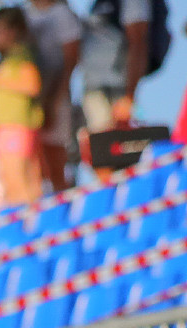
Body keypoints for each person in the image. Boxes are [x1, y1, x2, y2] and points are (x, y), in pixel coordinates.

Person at [0, 8, 51, 208]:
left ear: (13, 30)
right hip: (6, 128)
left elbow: (32, 85)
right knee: (10, 184)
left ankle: (29, 233)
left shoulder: (21, 54)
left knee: (19, 183)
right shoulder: (8, 58)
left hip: (17, 128)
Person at [26, 0, 89, 188]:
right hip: (27, 98)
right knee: (33, 160)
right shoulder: (24, 13)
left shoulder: (62, 13)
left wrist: (55, 99)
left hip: (56, 96)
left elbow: (71, 59)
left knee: (54, 159)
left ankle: (61, 209)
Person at [79, 0, 160, 138]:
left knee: (116, 150)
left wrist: (129, 96)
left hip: (118, 91)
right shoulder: (98, 5)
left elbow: (138, 43)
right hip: (93, 88)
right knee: (97, 149)